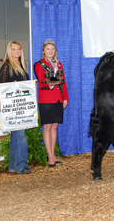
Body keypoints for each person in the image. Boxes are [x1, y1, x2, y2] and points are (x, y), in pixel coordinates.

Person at [0, 41, 32, 175]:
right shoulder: (6, 67)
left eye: (18, 49)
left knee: (15, 136)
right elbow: (1, 86)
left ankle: (12, 166)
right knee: (20, 136)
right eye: (13, 49)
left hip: (22, 106)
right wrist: (13, 85)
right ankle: (22, 165)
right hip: (13, 108)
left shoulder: (22, 66)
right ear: (9, 51)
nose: (16, 52)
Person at [34, 39, 68, 167]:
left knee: (55, 127)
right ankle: (50, 158)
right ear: (43, 50)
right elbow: (42, 80)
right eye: (48, 49)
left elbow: (63, 81)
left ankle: (53, 154)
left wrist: (65, 97)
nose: (50, 51)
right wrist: (50, 84)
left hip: (58, 98)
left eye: (52, 49)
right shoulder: (39, 64)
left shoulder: (58, 64)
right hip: (46, 99)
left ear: (55, 51)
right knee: (47, 127)